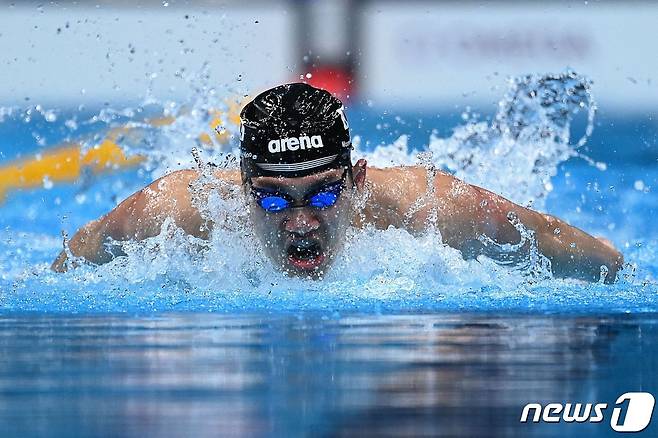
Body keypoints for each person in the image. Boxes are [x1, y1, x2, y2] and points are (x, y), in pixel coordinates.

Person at [51, 83, 624, 282]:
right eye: (273, 199)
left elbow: (605, 264)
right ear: (239, 187)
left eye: (324, 195)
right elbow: (58, 278)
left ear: (356, 181)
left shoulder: (428, 208)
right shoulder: (170, 212)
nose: (301, 222)